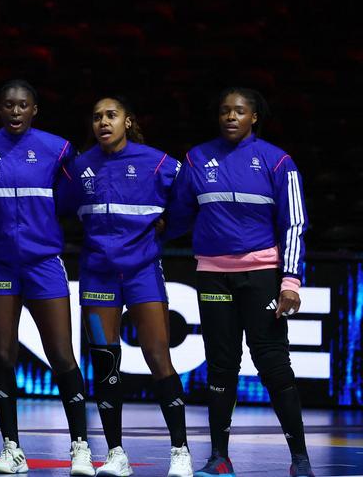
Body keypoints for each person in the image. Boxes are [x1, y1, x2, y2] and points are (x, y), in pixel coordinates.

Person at [166, 88, 313, 477]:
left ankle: (299, 460)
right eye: (225, 111)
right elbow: (176, 216)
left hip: (262, 275)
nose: (231, 117)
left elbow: (294, 223)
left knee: (273, 363)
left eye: (239, 111)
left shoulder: (277, 161)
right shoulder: (197, 158)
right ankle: (219, 458)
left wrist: (291, 282)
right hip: (213, 274)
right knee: (221, 366)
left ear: (254, 118)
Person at [0, 80, 93, 475]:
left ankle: (81, 448)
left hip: (43, 264)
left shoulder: (59, 150)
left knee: (61, 355)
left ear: (34, 109)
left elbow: (79, 200)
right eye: (8, 105)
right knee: (2, 355)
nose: (16, 111)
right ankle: (11, 448)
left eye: (23, 105)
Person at [64, 97, 191, 477]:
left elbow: (187, 198)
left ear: (127, 121)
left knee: (157, 356)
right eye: (97, 116)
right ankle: (116, 454)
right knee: (105, 362)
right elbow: (58, 206)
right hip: (98, 276)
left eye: (111, 116)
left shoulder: (156, 161)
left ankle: (180, 451)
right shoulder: (80, 166)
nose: (103, 122)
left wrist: (172, 227)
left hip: (142, 274)